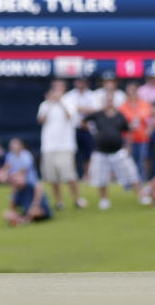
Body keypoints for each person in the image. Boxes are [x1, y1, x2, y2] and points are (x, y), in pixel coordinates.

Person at [84, 89, 142, 210]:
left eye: (111, 100)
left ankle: (141, 196)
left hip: (118, 151)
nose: (109, 102)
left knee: (131, 173)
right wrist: (92, 131)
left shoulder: (120, 115)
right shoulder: (97, 114)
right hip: (101, 151)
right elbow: (84, 121)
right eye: (107, 100)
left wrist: (128, 146)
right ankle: (104, 200)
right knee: (101, 178)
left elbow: (127, 131)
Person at [37, 78, 86, 209]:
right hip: (48, 146)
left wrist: (60, 102)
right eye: (55, 87)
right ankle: (59, 202)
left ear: (64, 89)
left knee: (70, 175)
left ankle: (77, 199)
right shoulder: (45, 104)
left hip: (65, 146)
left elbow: (70, 117)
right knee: (53, 177)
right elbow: (41, 120)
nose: (57, 90)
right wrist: (50, 104)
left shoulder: (69, 102)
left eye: (59, 87)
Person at [119, 80, 154, 181]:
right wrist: (129, 125)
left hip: (142, 137)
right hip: (127, 138)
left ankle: (141, 182)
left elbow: (150, 119)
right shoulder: (123, 106)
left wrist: (149, 130)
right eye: (129, 91)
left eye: (133, 90)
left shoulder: (144, 104)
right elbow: (120, 122)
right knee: (127, 162)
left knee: (141, 162)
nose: (131, 93)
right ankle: (128, 183)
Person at [65, 76, 98, 179]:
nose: (81, 84)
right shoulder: (69, 96)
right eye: (79, 81)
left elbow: (96, 110)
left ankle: (87, 175)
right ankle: (72, 175)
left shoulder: (92, 95)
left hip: (88, 130)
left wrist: (80, 109)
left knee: (88, 155)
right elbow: (70, 112)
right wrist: (83, 112)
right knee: (72, 154)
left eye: (83, 81)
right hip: (73, 129)